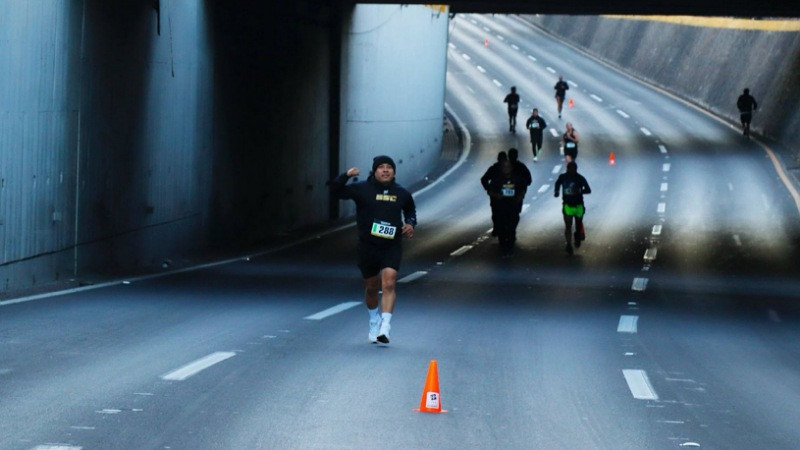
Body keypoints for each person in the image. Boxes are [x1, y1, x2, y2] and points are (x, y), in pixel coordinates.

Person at [329, 155, 417, 344]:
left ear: (394, 172)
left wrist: (410, 224)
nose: (385, 170)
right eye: (381, 167)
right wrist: (346, 175)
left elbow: (410, 210)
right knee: (371, 287)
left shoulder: (401, 193)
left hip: (391, 245)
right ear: (375, 171)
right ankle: (373, 320)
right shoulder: (362, 189)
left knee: (389, 283)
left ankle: (385, 326)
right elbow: (335, 191)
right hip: (368, 246)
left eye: (389, 167)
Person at [486, 159, 526, 254]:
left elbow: (522, 188)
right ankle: (503, 245)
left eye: (508, 167)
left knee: (511, 226)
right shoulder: (497, 179)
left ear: (511, 168)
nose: (506, 169)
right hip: (501, 206)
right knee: (501, 226)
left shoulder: (517, 178)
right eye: (504, 167)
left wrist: (520, 197)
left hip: (513, 206)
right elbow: (490, 190)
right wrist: (496, 195)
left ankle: (511, 244)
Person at [554, 161, 591, 255]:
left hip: (579, 206)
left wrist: (579, 190)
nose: (573, 171)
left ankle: (577, 236)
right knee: (568, 226)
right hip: (568, 205)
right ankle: (569, 244)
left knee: (578, 225)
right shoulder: (563, 177)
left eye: (574, 169)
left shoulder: (580, 178)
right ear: (567, 169)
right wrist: (556, 191)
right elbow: (557, 183)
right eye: (571, 169)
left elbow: (588, 190)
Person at [481, 151, 508, 236]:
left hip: (504, 194)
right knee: (496, 212)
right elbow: (484, 179)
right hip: (497, 194)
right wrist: (489, 190)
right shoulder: (495, 169)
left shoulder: (509, 169)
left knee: (500, 212)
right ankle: (497, 228)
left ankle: (502, 228)